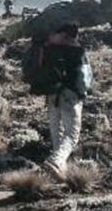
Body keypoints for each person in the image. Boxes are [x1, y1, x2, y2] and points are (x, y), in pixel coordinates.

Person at [39, 25, 91, 180]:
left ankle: (59, 173)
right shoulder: (78, 52)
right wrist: (82, 93)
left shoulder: (49, 49)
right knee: (71, 134)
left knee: (57, 134)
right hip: (70, 95)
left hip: (52, 95)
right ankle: (56, 161)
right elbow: (84, 76)